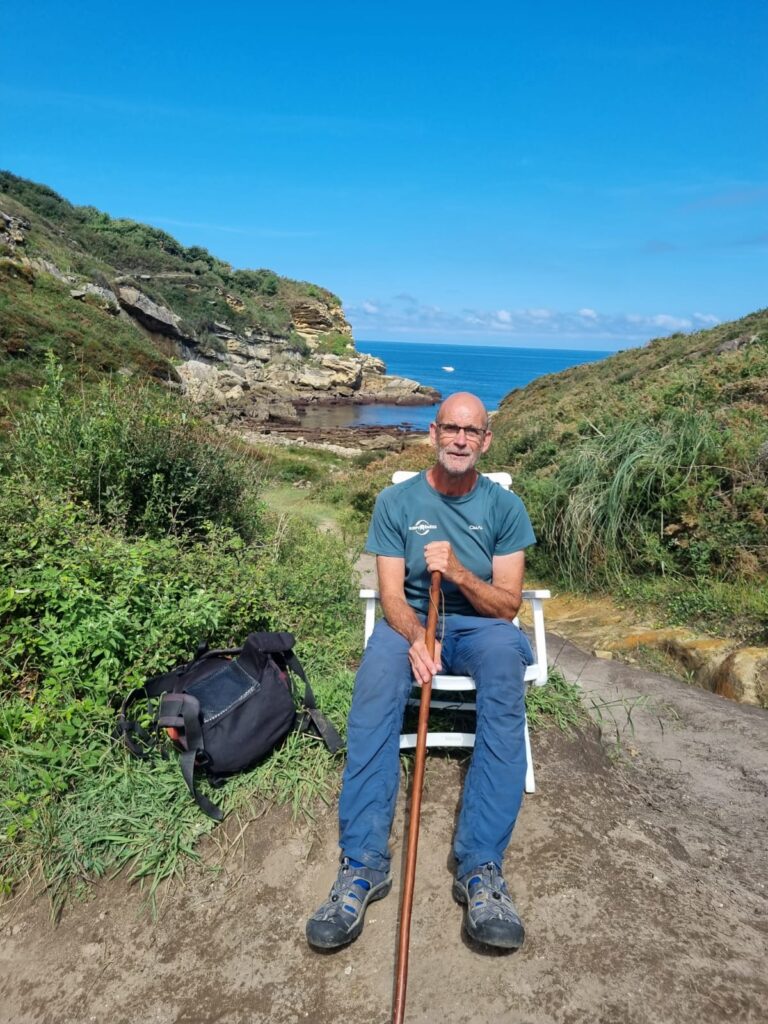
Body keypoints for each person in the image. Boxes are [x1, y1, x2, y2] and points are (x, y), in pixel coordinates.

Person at [306, 392, 536, 951]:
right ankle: (362, 864)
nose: (460, 439)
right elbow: (390, 594)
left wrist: (459, 572)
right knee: (376, 683)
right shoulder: (396, 502)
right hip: (410, 621)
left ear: (486, 441)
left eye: (471, 431)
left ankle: (481, 867)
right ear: (433, 433)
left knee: (505, 677)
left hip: (481, 626)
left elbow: (507, 605)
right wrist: (415, 636)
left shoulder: (506, 508)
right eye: (451, 428)